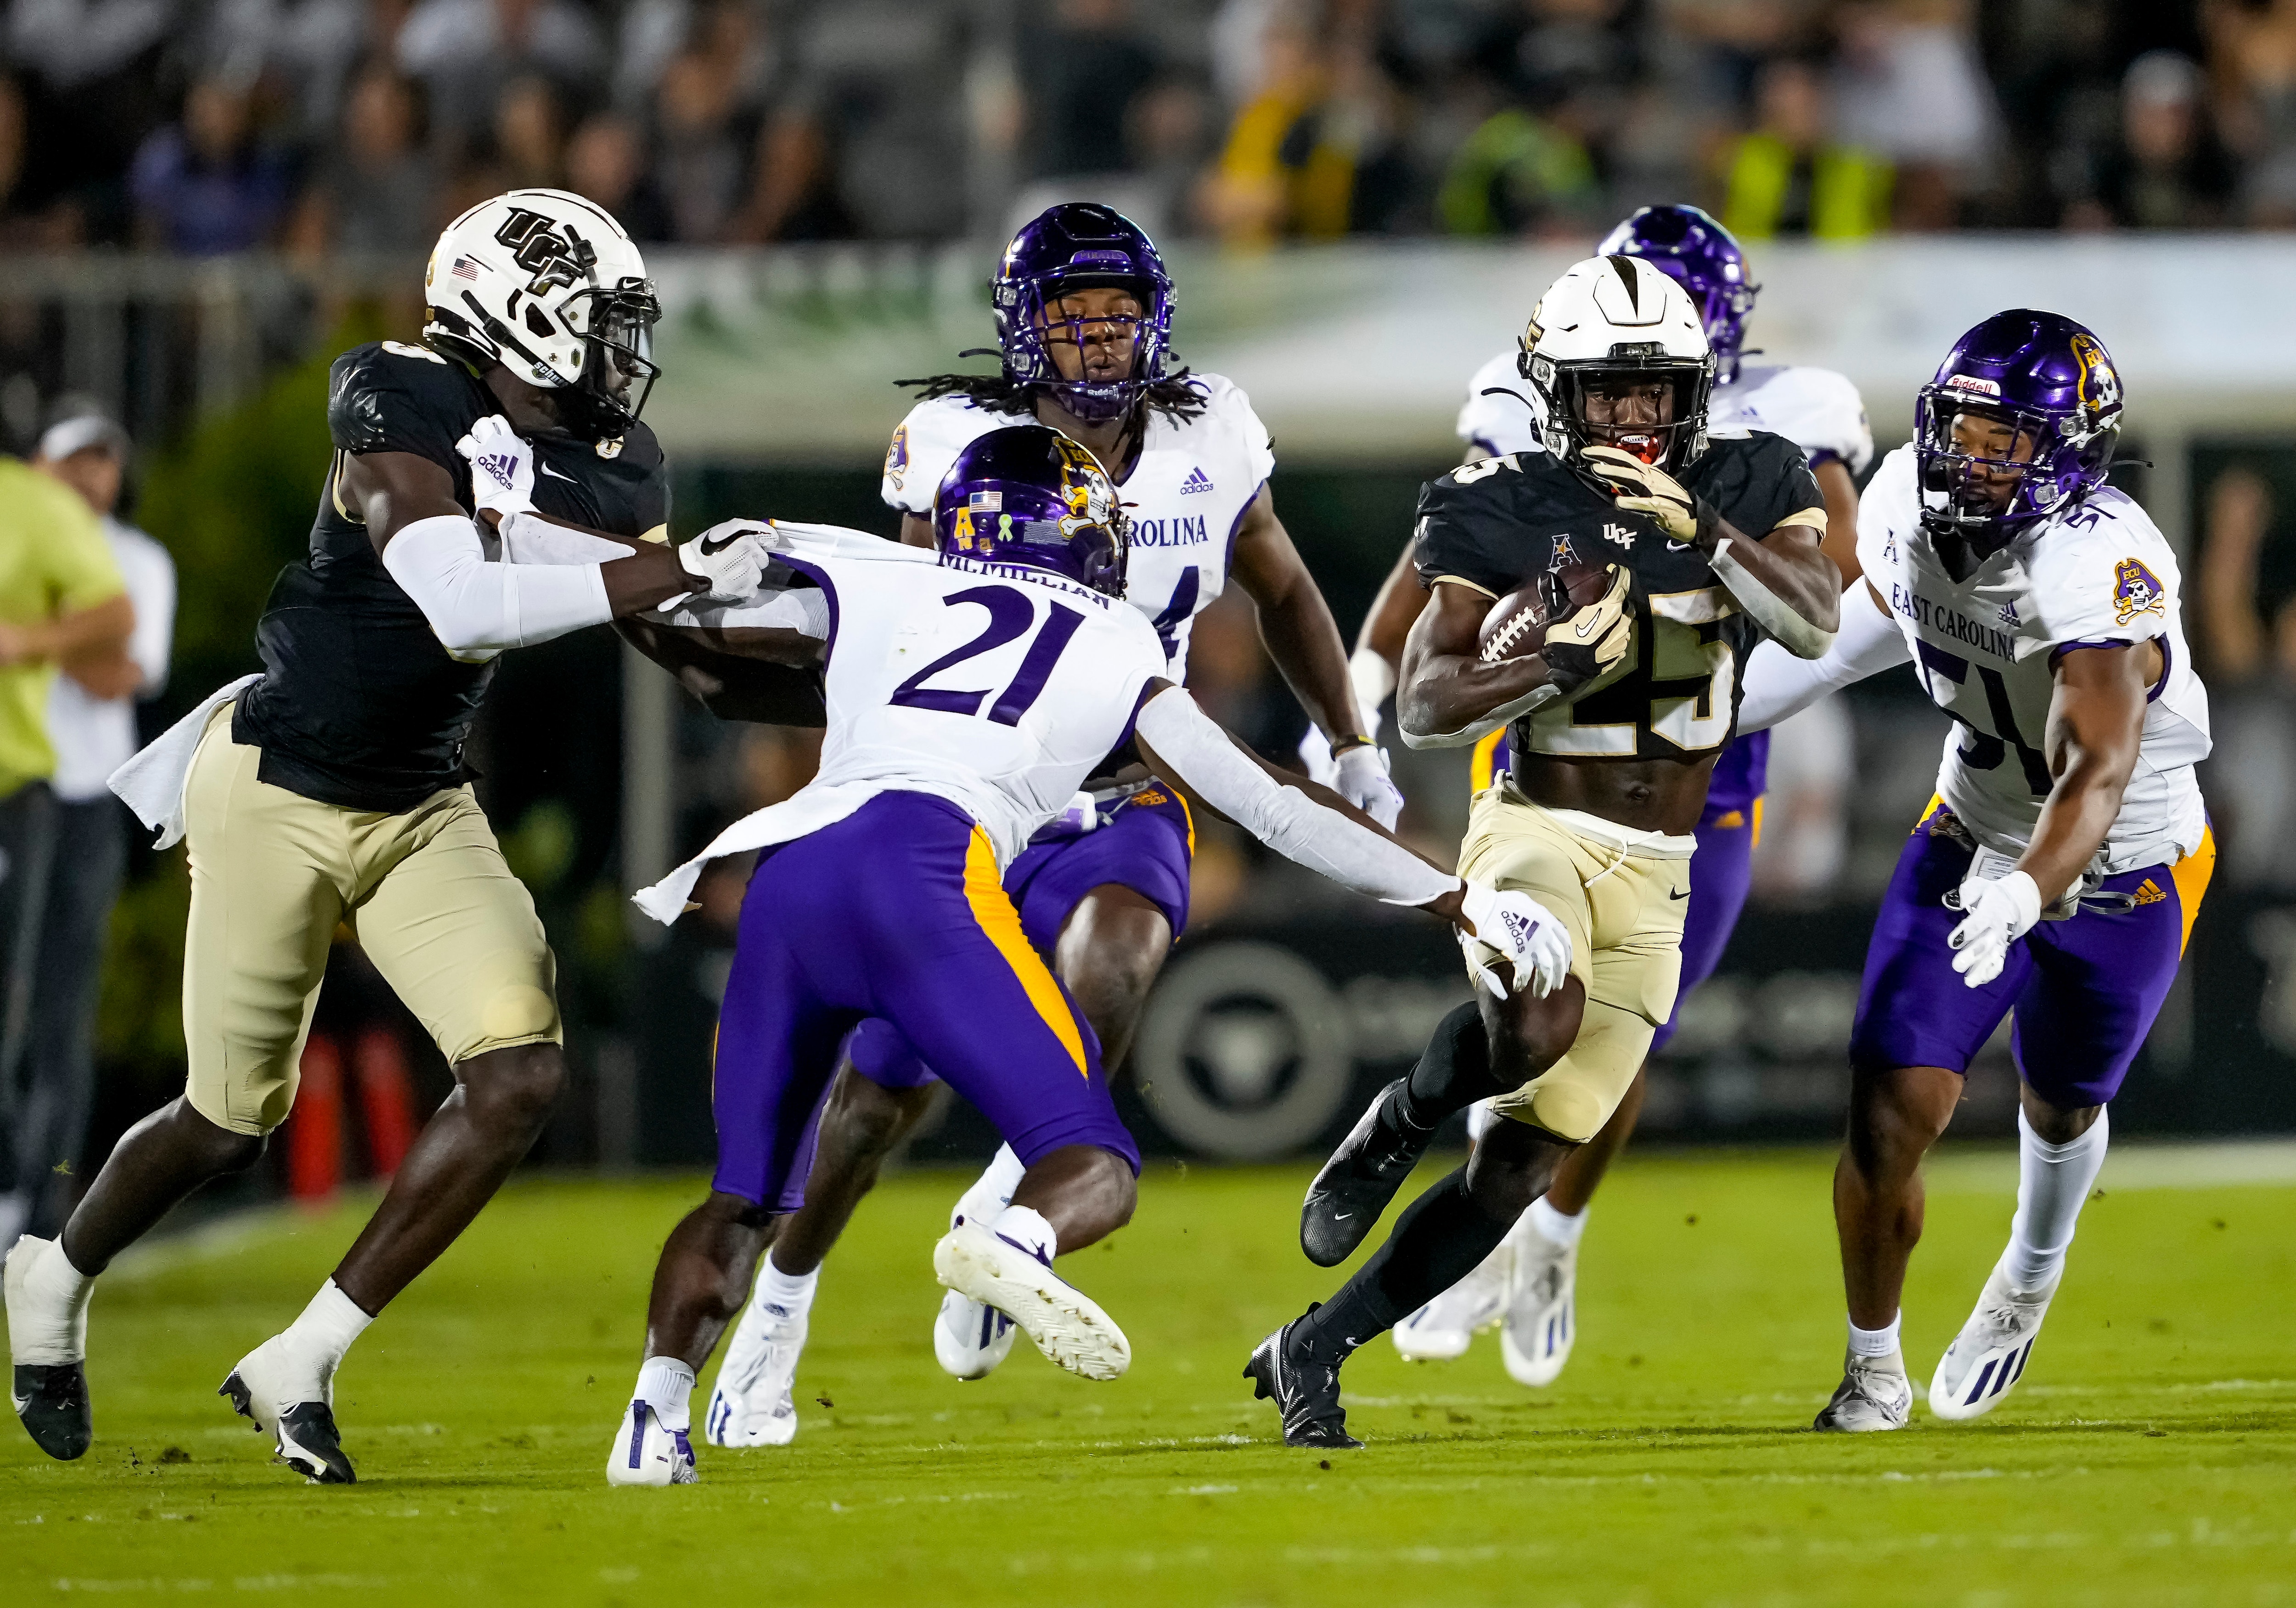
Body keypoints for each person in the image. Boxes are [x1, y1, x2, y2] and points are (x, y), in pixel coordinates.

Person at [600, 425, 1562, 1485]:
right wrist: (1450, 896)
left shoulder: (883, 577)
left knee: (740, 1196)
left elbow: (706, 656)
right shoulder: (1114, 638)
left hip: (788, 874)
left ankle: (651, 1416)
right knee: (1091, 1163)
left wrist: (654, 561)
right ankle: (1008, 1242)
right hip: (922, 874)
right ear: (1091, 540)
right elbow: (1269, 802)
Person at [2, 188, 785, 1483]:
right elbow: (460, 597)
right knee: (227, 1116)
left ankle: (305, 1351)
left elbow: (672, 639)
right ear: (515, 312)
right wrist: (668, 566)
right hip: (275, 784)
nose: (618, 354)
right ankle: (55, 1274)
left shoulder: (618, 456)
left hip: (422, 802)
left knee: (519, 1071)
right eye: (599, 323)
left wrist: (821, 650)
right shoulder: (394, 391)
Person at [700, 202, 1400, 1447]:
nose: (1096, 343)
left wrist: (1347, 735)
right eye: (1072, 320)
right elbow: (900, 622)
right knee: (873, 1101)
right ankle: (779, 1311)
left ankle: (1011, 1199)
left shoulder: (1211, 432)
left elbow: (1280, 582)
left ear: (1157, 320)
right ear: (1026, 331)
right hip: (967, 801)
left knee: (1123, 943)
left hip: (1127, 782)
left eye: (1118, 317)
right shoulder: (957, 438)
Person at [1250, 254, 1840, 1448]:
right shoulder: (1498, 498)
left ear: (1694, 386)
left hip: (1666, 861)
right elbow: (1426, 698)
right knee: (1536, 1017)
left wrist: (1708, 531)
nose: (1632, 414)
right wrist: (1554, 662)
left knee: (1518, 1172)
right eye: (1605, 390)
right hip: (1538, 830)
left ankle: (1311, 1346)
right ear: (1552, 391)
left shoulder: (1759, 473)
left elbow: (1816, 614)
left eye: (1653, 388)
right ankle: (1409, 1109)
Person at [1733, 311, 2212, 1431]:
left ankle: (2030, 1271)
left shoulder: (2103, 559)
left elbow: (2097, 765)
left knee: (2060, 1099)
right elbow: (1861, 629)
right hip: (1968, 829)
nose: (1970, 455)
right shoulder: (1904, 497)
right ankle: (1871, 1363)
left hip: (2128, 863)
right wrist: (1712, 714)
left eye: (2004, 439)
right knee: (1889, 1103)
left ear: (2066, 449)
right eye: (1961, 427)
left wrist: (2025, 890)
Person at [6, 410, 173, 1248]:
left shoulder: (138, 562)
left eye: (106, 459)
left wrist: (28, 637)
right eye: (77, 457)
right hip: (22, 786)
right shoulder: (22, 531)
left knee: (62, 1010)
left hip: (86, 801)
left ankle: (43, 1199)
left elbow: (122, 674)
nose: (91, 474)